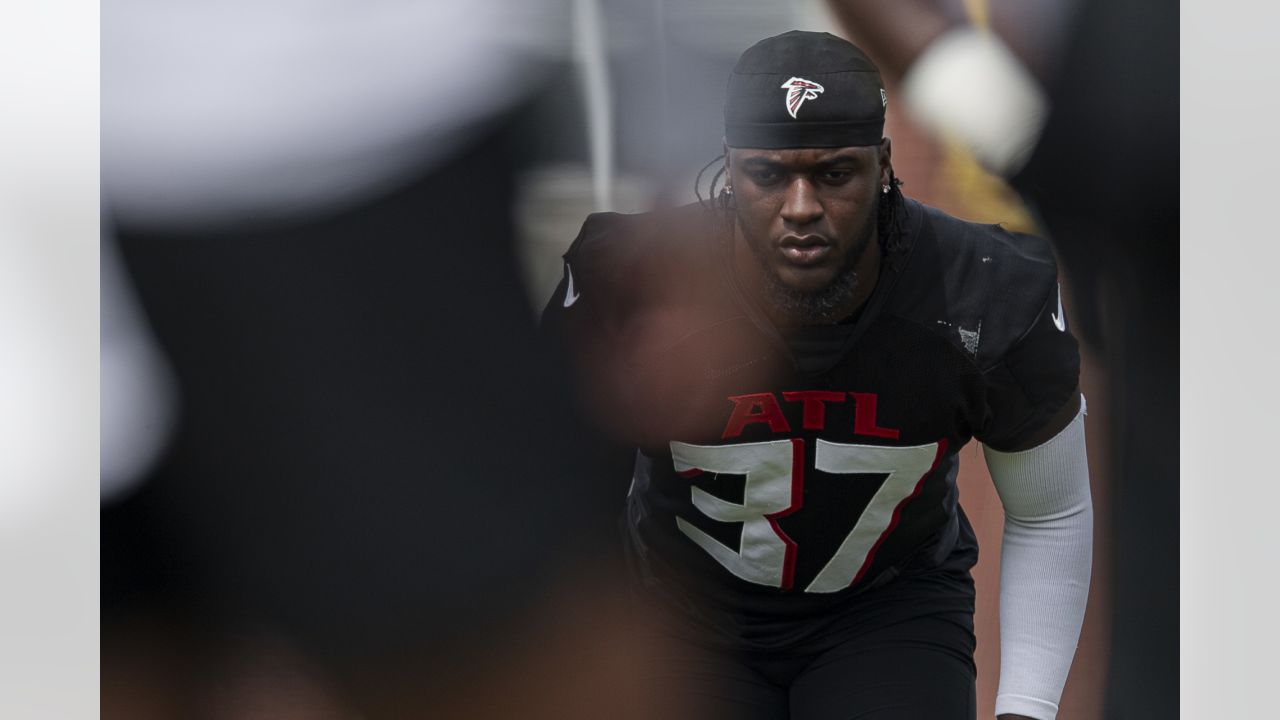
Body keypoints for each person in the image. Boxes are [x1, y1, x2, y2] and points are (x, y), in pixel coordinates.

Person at [543, 31, 1092, 720]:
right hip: (685, 615)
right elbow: (547, 484)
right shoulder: (637, 280)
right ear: (729, 169)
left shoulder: (979, 290)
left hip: (888, 612)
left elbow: (1050, 511)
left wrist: (1027, 710)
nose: (801, 206)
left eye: (834, 173)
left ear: (884, 165)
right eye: (769, 175)